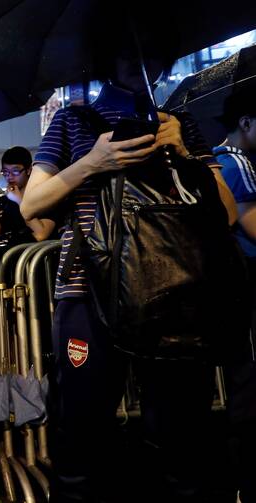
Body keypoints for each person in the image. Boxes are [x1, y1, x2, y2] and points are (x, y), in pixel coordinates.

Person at [21, 56, 237, 502]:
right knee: (81, 426)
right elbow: (31, 205)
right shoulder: (72, 120)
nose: (141, 58)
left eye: (156, 47)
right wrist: (93, 161)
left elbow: (229, 212)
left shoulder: (178, 124)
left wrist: (184, 152)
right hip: (85, 291)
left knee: (179, 429)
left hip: (170, 290)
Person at [213, 89, 256, 503]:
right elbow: (251, 224)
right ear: (246, 122)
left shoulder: (216, 160)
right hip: (246, 288)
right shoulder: (236, 164)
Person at [0, 146, 55, 241]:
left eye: (15, 171)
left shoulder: (44, 199)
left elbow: (41, 234)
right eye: (5, 172)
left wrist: (19, 202)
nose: (9, 176)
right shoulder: (2, 201)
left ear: (29, 170)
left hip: (30, 253)